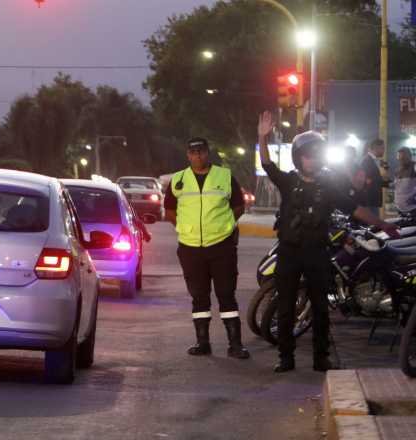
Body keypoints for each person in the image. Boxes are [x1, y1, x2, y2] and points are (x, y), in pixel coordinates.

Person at [257, 111, 399, 373]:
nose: (310, 160)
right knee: (286, 308)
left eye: (314, 155)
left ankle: (320, 358)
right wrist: (262, 137)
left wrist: (383, 225)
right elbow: (267, 165)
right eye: (306, 155)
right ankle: (285, 357)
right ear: (299, 158)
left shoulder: (328, 186)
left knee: (321, 309)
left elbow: (353, 208)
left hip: (317, 253)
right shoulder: (288, 182)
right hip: (289, 253)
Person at [163, 137, 249, 359]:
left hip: (221, 246)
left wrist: (225, 225)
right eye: (193, 152)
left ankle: (235, 344)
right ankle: (203, 342)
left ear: (207, 153)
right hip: (191, 248)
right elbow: (170, 210)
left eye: (201, 152)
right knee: (199, 297)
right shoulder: (178, 179)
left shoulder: (225, 176)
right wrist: (184, 227)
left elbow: (239, 206)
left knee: (226, 295)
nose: (197, 156)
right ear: (188, 155)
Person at [357, 138, 389, 212]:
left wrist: (388, 182)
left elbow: (381, 179)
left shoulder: (380, 162)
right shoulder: (366, 161)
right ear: (376, 148)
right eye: (382, 148)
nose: (384, 150)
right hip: (369, 200)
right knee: (371, 222)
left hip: (374, 200)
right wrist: (382, 177)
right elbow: (366, 180)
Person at [395, 147, 416, 214]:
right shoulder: (397, 170)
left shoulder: (414, 167)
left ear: (410, 156)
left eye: (403, 158)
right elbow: (398, 188)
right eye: (399, 159)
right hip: (400, 210)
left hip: (413, 210)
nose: (401, 161)